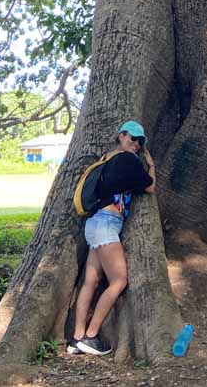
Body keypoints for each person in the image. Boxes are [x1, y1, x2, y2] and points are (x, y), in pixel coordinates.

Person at [69, 120, 156, 356]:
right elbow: (150, 187)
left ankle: (76, 338)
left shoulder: (108, 159)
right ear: (121, 136)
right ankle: (90, 335)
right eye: (131, 138)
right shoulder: (128, 160)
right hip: (106, 225)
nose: (135, 144)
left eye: (139, 141)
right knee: (119, 280)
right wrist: (151, 166)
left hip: (95, 224)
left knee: (91, 281)